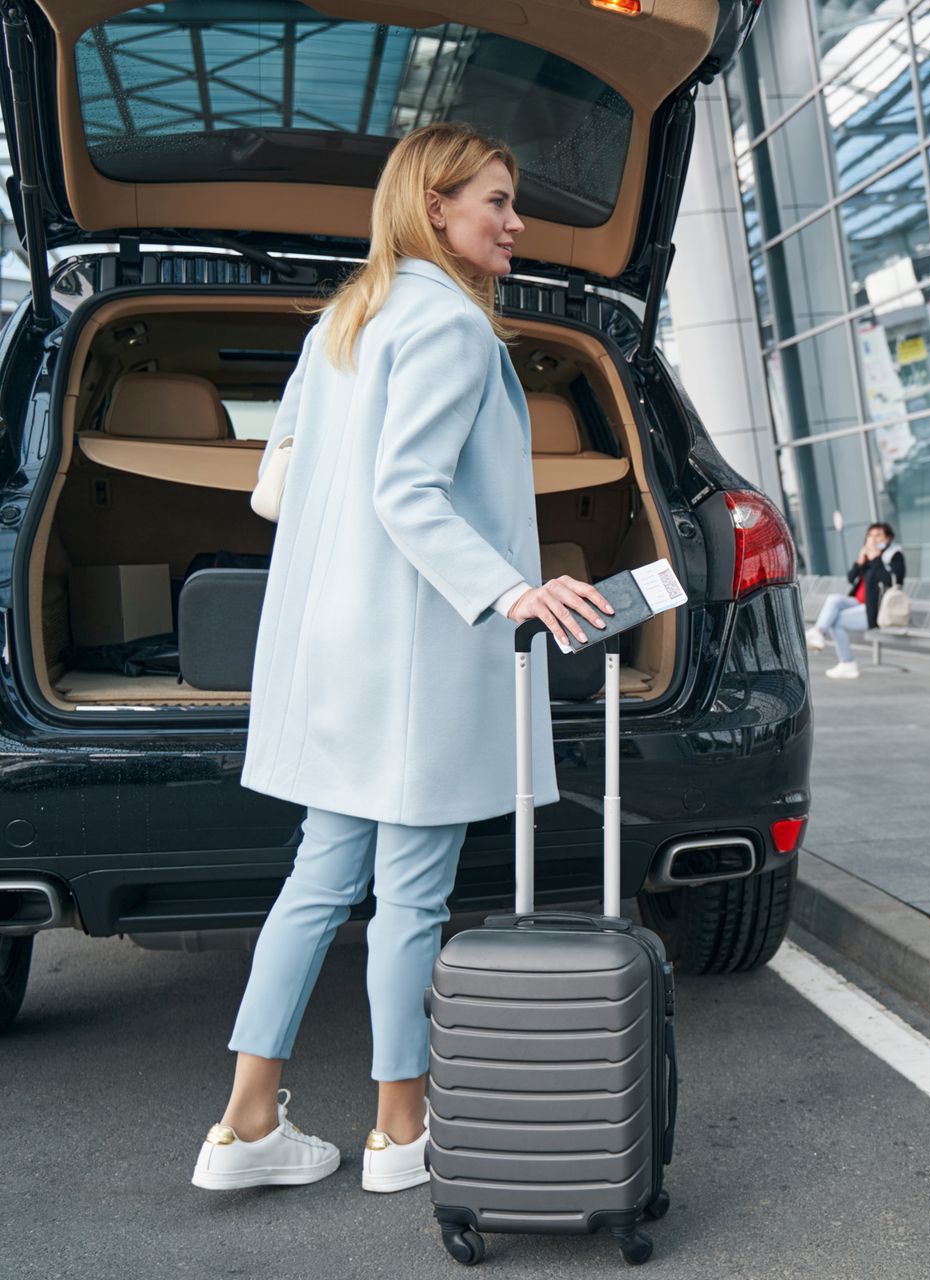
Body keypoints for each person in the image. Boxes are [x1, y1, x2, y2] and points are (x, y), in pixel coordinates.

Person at [190, 122, 616, 1195]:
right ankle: (400, 1131)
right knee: (412, 896)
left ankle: (245, 1124)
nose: (516, 223)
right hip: (414, 651)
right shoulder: (451, 328)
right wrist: (512, 588)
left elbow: (280, 484)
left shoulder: (349, 318)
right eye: (497, 201)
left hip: (336, 644)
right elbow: (408, 491)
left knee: (317, 879)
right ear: (437, 205)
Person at [807, 522, 906, 679]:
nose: (873, 539)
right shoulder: (868, 555)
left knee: (836, 621)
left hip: (876, 609)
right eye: (870, 535)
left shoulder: (894, 555)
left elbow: (893, 581)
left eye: (878, 535)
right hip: (858, 603)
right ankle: (818, 632)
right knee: (834, 599)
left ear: (888, 538)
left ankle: (847, 663)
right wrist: (860, 562)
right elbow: (851, 578)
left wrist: (876, 559)